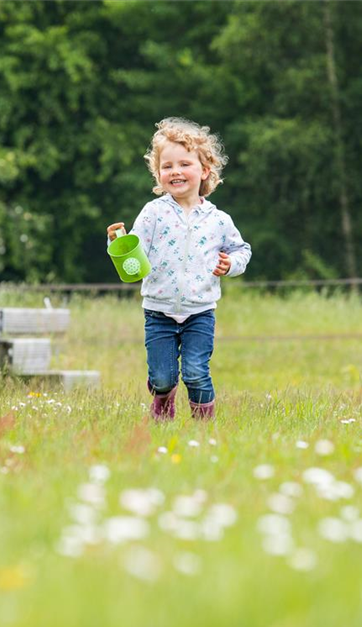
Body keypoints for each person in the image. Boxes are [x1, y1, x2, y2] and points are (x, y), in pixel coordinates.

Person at [107, 117, 251, 421]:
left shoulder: (218, 220)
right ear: (158, 174)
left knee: (197, 372)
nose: (175, 172)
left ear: (204, 171)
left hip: (200, 310)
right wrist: (118, 243)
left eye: (184, 164)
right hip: (158, 311)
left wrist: (231, 265)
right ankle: (162, 398)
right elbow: (136, 254)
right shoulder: (153, 212)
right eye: (167, 166)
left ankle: (203, 427)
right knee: (162, 377)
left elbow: (242, 250)